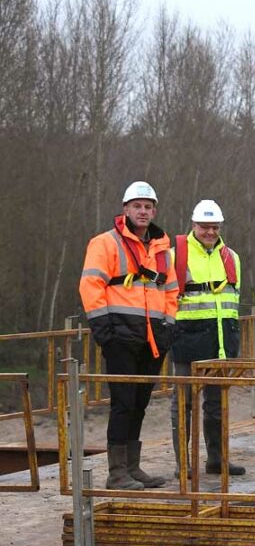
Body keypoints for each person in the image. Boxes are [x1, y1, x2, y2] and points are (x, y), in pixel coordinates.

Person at [79, 181, 178, 490]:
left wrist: (168, 328)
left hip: (152, 339)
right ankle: (117, 473)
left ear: (154, 211)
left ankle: (132, 468)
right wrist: (104, 331)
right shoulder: (105, 243)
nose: (143, 211)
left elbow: (171, 291)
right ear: (125, 209)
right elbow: (90, 286)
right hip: (120, 336)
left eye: (148, 206)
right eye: (137, 206)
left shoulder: (161, 249)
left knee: (139, 403)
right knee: (122, 403)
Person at [170, 200, 245, 477]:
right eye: (204, 227)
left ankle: (217, 459)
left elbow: (233, 301)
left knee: (216, 404)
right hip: (186, 340)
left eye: (214, 227)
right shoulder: (177, 255)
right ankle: (183, 464)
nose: (210, 232)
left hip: (221, 341)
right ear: (194, 225)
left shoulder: (231, 257)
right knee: (183, 404)